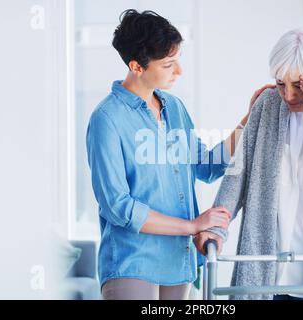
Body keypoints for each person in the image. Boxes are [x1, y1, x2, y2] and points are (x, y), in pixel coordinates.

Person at [86, 9, 270, 300]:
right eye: (169, 64)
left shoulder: (174, 108)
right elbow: (117, 206)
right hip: (131, 262)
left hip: (177, 261)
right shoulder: (106, 119)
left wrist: (248, 120)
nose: (179, 71)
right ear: (136, 66)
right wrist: (192, 226)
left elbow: (205, 166)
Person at [194, 29, 303, 300]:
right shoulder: (267, 104)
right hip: (265, 267)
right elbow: (237, 174)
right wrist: (217, 227)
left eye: (299, 85)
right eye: (280, 83)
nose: (287, 95)